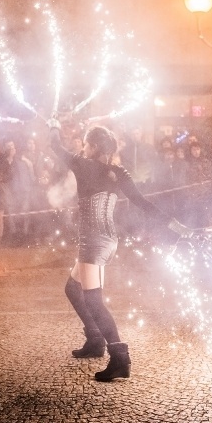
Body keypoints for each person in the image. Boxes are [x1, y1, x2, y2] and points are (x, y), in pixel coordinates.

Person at [48, 117, 191, 382]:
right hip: (108, 240)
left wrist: (54, 124)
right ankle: (95, 340)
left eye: (85, 144)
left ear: (92, 147)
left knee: (93, 300)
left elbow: (55, 146)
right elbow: (142, 202)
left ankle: (119, 357)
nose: (82, 148)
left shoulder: (82, 164)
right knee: (72, 288)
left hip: (93, 242)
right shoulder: (119, 172)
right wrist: (173, 224)